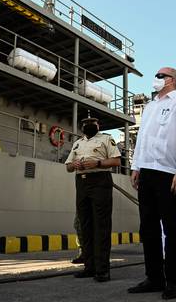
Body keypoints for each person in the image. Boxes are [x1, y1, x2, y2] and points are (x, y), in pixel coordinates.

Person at [128, 67, 176, 300]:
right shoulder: (149, 107)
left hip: (169, 173)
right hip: (147, 172)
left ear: (171, 80)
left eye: (160, 75)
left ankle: (173, 282)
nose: (155, 78)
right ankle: (154, 278)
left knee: (172, 229)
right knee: (148, 228)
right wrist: (136, 166)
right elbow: (142, 139)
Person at [65, 114, 121, 282]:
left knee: (101, 226)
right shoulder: (77, 143)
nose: (89, 125)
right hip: (81, 183)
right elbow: (68, 166)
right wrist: (73, 165)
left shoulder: (106, 139)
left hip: (100, 182)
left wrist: (97, 163)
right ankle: (89, 267)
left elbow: (117, 161)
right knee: (85, 225)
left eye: (92, 123)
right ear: (81, 127)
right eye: (85, 123)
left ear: (98, 125)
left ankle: (102, 270)